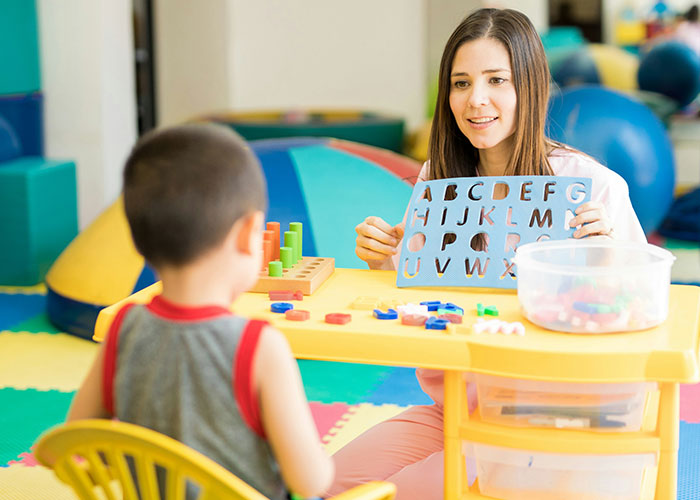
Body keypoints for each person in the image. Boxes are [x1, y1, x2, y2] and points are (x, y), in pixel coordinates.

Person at [329, 8, 646, 500]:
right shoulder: (439, 178)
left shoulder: (593, 187)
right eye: (461, 83)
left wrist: (611, 260)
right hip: (458, 405)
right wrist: (385, 258)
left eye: (497, 80)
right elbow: (427, 291)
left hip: (549, 424)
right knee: (327, 483)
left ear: (531, 86)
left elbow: (645, 314)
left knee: (388, 495)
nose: (476, 100)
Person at [65, 124, 334, 500]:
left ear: (137, 238)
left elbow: (79, 441)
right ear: (248, 233)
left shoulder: (122, 329)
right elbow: (311, 482)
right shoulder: (258, 346)